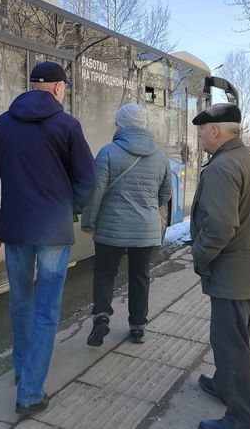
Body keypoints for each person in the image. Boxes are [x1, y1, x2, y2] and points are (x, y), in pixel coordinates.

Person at [0, 61, 96, 416]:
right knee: (46, 311)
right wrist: (68, 207)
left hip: (15, 230)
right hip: (53, 233)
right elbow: (88, 181)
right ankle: (30, 392)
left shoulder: (2, 125)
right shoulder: (68, 125)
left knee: (21, 304)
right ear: (59, 88)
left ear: (32, 86)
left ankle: (22, 369)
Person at [189, 103, 250, 429]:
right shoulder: (247, 160)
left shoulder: (223, 167)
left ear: (215, 131)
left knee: (230, 343)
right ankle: (225, 384)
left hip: (234, 269)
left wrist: (199, 256)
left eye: (201, 132)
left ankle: (245, 418)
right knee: (236, 335)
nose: (200, 139)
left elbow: (220, 226)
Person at [81, 103, 172, 346]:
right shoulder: (161, 156)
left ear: (121, 124)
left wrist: (90, 223)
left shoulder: (108, 152)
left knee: (104, 273)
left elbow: (96, 193)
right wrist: (147, 208)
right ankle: (138, 326)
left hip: (112, 228)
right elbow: (165, 194)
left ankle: (101, 318)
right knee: (140, 276)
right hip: (146, 230)